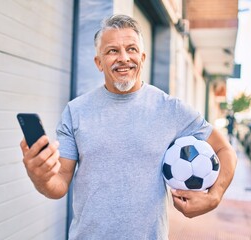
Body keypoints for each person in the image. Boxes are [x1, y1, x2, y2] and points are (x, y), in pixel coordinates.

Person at [20, 14, 237, 240]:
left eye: (131, 49)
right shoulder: (76, 112)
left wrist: (215, 195)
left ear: (142, 57)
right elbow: (59, 184)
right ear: (98, 62)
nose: (124, 58)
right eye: (112, 51)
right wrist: (41, 177)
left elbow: (225, 150)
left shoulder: (171, 109)